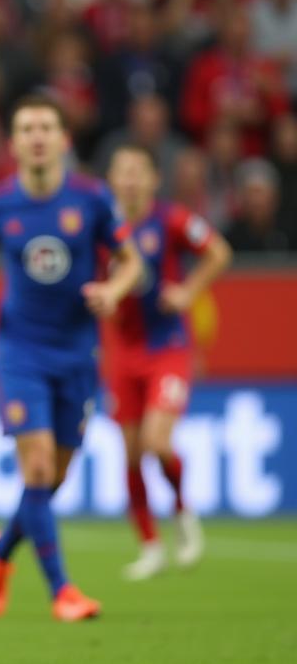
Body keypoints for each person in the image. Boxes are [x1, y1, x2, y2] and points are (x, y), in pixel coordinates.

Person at [0, 95, 142, 622]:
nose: (37, 136)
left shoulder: (91, 199)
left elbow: (130, 260)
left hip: (78, 355)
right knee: (36, 467)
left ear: (63, 140)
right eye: (26, 128)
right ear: (14, 143)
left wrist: (114, 289)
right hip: (20, 351)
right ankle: (63, 590)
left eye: (46, 127)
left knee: (50, 480)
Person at [105, 143, 232, 579]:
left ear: (154, 180)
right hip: (122, 353)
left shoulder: (172, 219)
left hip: (168, 348)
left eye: (139, 170)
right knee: (131, 453)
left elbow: (219, 251)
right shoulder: (101, 225)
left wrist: (188, 292)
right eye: (123, 171)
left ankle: (181, 510)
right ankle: (150, 546)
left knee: (158, 443)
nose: (131, 179)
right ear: (112, 180)